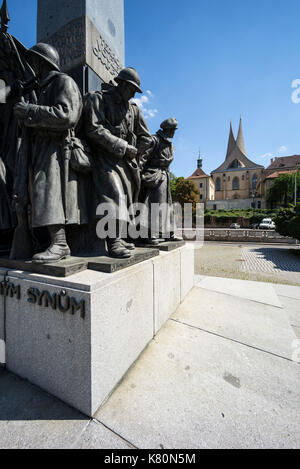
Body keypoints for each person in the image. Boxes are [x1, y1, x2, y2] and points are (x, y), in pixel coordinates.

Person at [13, 43, 83, 263]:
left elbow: (67, 115)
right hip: (36, 146)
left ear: (42, 63)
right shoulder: (37, 88)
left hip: (55, 148)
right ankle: (43, 240)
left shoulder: (63, 82)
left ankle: (60, 243)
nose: (30, 65)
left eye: (34, 60)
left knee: (46, 190)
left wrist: (30, 111)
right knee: (32, 194)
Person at [83, 67, 152, 259]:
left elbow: (147, 138)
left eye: (134, 91)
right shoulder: (98, 99)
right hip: (103, 158)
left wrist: (138, 154)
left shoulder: (133, 109)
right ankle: (112, 241)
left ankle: (120, 238)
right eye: (130, 89)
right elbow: (93, 129)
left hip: (126, 163)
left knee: (126, 200)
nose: (131, 94)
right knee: (113, 196)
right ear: (121, 84)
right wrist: (123, 146)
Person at [139, 118, 182, 244]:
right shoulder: (154, 140)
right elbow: (142, 158)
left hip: (165, 177)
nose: (174, 133)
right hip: (154, 176)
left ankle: (169, 233)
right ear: (168, 129)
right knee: (154, 205)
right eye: (173, 130)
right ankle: (149, 234)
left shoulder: (170, 144)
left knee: (167, 205)